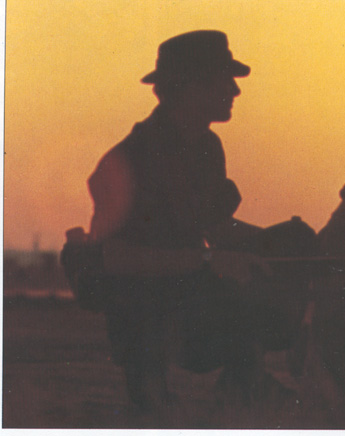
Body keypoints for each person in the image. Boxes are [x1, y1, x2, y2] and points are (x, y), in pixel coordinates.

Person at [86, 31, 283, 413]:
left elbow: (217, 228)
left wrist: (283, 245)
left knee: (287, 252)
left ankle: (244, 383)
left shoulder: (206, 147)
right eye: (224, 80)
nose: (235, 91)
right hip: (145, 312)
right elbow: (114, 258)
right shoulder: (131, 159)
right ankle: (154, 392)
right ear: (192, 86)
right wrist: (209, 260)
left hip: (189, 296)